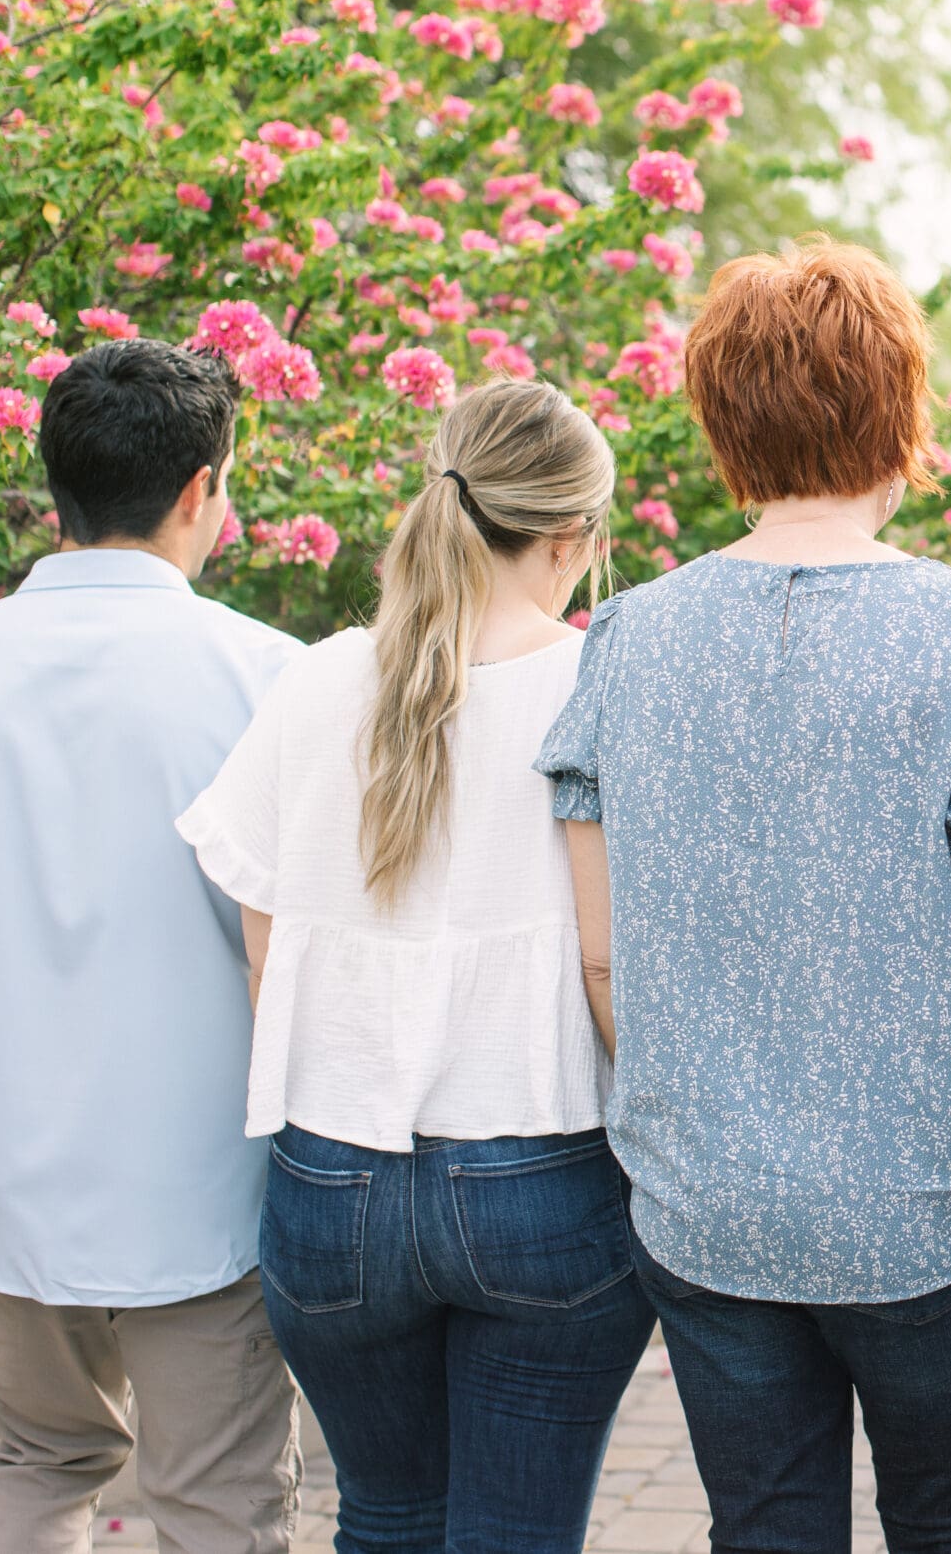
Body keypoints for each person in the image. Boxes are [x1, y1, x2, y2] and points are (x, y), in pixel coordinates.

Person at [535, 238, 951, 1554]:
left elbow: (606, 961)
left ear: (721, 418)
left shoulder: (628, 637)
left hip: (705, 1195)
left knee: (762, 1530)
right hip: (926, 1193)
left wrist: (695, 1105)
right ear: (900, 408)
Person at [0, 339, 302, 1554]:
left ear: (59, 484)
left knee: (38, 1463)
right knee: (215, 1499)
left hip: (9, 1179)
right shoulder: (273, 683)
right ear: (203, 488)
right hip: (216, 1194)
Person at [175, 379, 650, 1552]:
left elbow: (261, 938)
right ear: (573, 538)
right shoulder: (603, 682)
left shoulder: (324, 675)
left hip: (331, 1174)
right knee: (516, 1533)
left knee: (382, 1520)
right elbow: (614, 963)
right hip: (544, 1160)